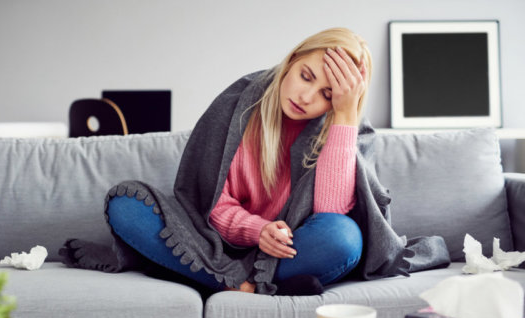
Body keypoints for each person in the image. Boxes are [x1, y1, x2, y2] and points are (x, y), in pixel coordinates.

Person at [60, 27, 449, 296]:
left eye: (327, 94)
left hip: (288, 251)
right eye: (306, 75)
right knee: (125, 201)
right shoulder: (238, 102)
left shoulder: (343, 128)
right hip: (211, 240)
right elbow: (210, 205)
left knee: (342, 237)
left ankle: (211, 280)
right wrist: (258, 229)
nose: (307, 95)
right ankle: (247, 286)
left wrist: (344, 118)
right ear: (293, 58)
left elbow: (329, 212)